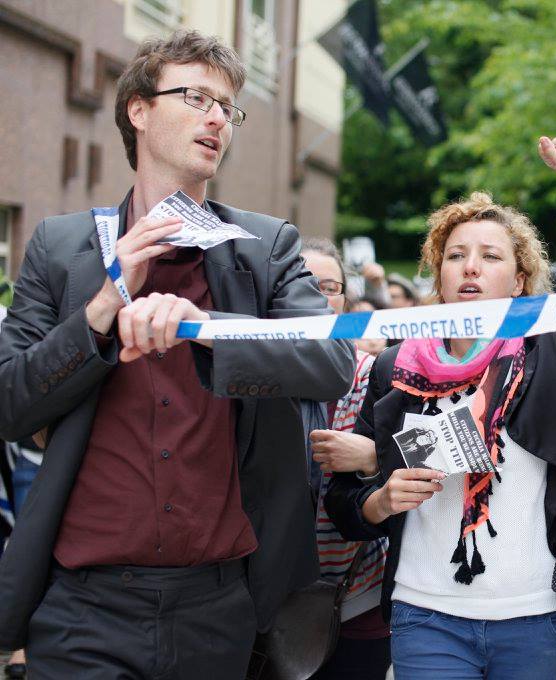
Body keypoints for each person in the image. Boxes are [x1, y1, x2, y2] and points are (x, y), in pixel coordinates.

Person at [0, 30, 356, 677]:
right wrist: (102, 311)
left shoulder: (265, 245)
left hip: (218, 609)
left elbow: (331, 361)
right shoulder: (59, 248)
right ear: (138, 109)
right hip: (85, 607)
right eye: (197, 97)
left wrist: (212, 326)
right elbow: (8, 404)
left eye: (228, 107)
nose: (217, 117)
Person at [324, 132, 556, 679]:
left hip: (535, 617)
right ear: (439, 276)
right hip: (424, 614)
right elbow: (345, 503)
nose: (471, 267)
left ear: (521, 279)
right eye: (455, 256)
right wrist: (379, 501)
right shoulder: (392, 370)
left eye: (490, 256)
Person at [300, 238, 392, 680]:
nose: (317, 298)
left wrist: (374, 455)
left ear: (345, 300)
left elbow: (424, 454)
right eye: (302, 284)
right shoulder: (247, 374)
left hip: (358, 590)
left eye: (329, 287)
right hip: (264, 591)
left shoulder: (374, 373)